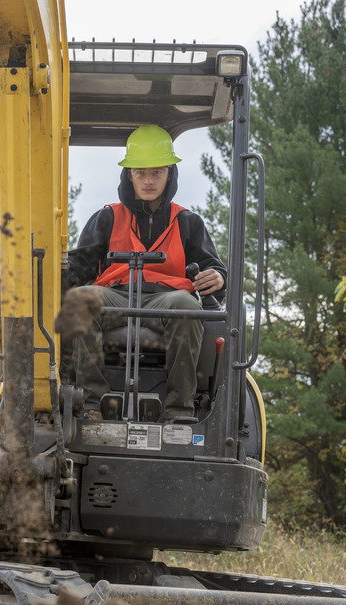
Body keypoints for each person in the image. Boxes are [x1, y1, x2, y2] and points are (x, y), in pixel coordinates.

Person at [63, 125, 226, 422]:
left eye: (157, 172)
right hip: (115, 297)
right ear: (129, 175)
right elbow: (79, 268)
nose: (148, 181)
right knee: (80, 299)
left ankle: (178, 410)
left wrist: (217, 276)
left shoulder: (188, 222)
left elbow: (213, 270)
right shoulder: (107, 217)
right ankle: (93, 404)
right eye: (141, 173)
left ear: (169, 174)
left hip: (166, 300)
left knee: (188, 306)